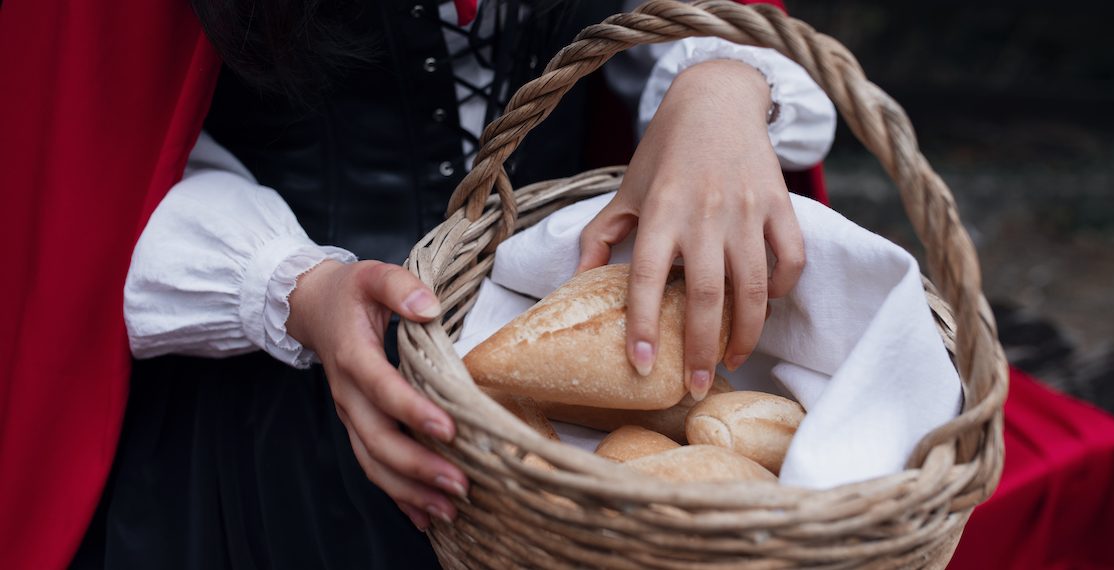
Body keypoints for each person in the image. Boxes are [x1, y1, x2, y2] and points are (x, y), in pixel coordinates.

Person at [2, 0, 835, 567]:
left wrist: (721, 84)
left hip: (569, 415)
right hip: (269, 423)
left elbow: (682, 26)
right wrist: (298, 292)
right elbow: (87, 156)